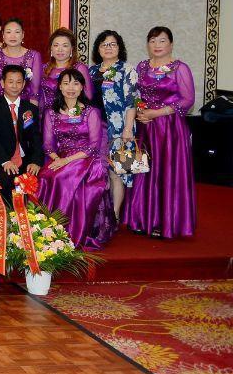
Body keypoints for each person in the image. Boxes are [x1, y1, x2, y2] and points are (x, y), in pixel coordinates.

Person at [125, 26, 195, 239]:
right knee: (144, 171)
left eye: (162, 41)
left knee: (167, 172)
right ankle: (141, 218)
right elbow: (136, 94)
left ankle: (165, 222)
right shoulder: (142, 66)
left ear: (171, 44)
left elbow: (187, 100)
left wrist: (157, 113)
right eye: (153, 41)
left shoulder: (179, 68)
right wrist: (141, 112)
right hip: (146, 127)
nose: (157, 45)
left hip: (170, 129)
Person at [39, 68, 115, 250]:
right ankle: (47, 229)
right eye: (66, 83)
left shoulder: (91, 112)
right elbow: (47, 144)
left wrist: (65, 162)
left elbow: (93, 146)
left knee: (63, 176)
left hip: (86, 158)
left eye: (75, 83)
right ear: (60, 87)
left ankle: (71, 231)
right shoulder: (51, 112)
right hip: (61, 157)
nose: (71, 88)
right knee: (45, 176)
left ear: (82, 87)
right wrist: (56, 159)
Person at [89, 30, 138, 221]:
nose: (108, 48)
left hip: (120, 128)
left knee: (117, 172)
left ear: (119, 47)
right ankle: (98, 214)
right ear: (98, 49)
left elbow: (132, 101)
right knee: (98, 171)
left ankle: (114, 216)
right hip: (95, 129)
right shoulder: (91, 71)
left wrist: (128, 128)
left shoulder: (127, 70)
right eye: (104, 44)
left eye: (112, 44)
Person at [0, 64, 45, 203]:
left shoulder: (30, 108)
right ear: (2, 83)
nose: (14, 86)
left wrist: (36, 161)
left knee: (37, 179)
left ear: (23, 84)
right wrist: (5, 161)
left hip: (25, 159)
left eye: (18, 82)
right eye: (10, 82)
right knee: (5, 180)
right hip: (2, 158)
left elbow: (35, 137)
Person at [40, 28, 94, 113]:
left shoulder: (79, 68)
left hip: (71, 114)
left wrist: (70, 113)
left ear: (72, 48)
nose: (60, 49)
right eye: (56, 45)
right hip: (46, 115)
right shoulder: (43, 68)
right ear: (51, 48)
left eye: (65, 45)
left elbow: (88, 96)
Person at [0, 18, 42, 102]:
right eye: (8, 32)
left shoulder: (34, 56)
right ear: (3, 35)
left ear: (23, 34)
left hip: (25, 104)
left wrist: (32, 108)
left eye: (17, 32)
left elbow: (35, 90)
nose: (13, 36)